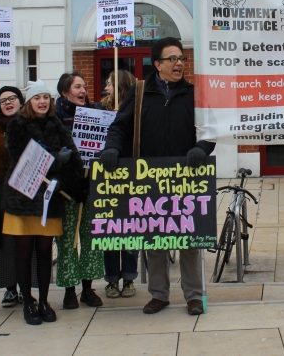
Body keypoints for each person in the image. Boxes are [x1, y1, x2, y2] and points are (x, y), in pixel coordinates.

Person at [101, 37, 215, 316]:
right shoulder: (139, 92)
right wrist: (112, 147)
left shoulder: (194, 93)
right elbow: (120, 126)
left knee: (188, 240)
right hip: (150, 176)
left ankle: (193, 296)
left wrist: (201, 148)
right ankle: (159, 294)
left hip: (186, 175)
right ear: (157, 64)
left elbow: (210, 130)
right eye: (172, 59)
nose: (179, 63)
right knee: (155, 240)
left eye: (182, 59)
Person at [4, 81, 81, 325]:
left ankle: (45, 300)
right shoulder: (16, 125)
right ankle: (28, 301)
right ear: (29, 102)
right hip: (23, 199)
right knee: (24, 253)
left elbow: (74, 160)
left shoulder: (56, 124)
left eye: (46, 97)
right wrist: (57, 161)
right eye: (38, 97)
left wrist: (62, 178)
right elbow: (25, 158)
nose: (43, 101)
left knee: (46, 252)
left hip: (49, 199)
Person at [53, 72, 104, 309]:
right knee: (67, 241)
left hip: (90, 185)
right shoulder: (54, 118)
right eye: (77, 87)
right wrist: (71, 182)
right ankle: (69, 289)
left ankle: (87, 287)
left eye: (84, 86)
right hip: (66, 190)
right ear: (65, 92)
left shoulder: (95, 113)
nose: (83, 91)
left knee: (91, 237)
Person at [0, 86, 29, 309]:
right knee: (4, 241)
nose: (8, 103)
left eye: (12, 98)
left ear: (21, 101)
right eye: (3, 100)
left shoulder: (30, 123)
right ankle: (10, 288)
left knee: (25, 239)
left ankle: (27, 286)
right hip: (0, 189)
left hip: (27, 191)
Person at [98, 70, 139, 299]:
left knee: (131, 228)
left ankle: (129, 277)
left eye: (110, 83)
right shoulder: (100, 109)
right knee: (111, 230)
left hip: (132, 176)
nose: (106, 87)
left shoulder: (137, 108)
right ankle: (112, 279)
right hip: (108, 178)